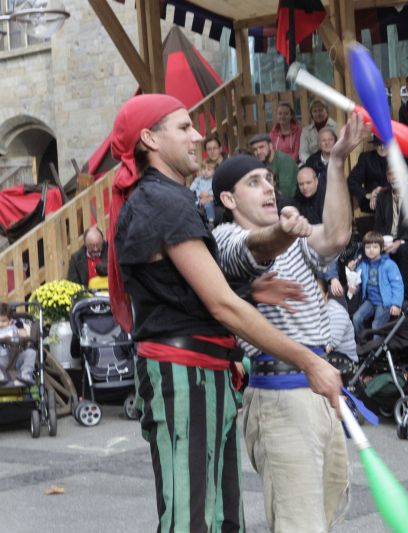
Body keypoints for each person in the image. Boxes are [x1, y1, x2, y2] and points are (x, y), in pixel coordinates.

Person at [108, 94, 342, 532]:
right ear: (150, 139)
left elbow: (187, 290)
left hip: (205, 372)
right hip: (183, 373)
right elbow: (220, 304)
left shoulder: (172, 199)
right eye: (183, 127)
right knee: (191, 521)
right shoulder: (159, 201)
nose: (197, 136)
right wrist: (308, 361)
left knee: (223, 518)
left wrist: (248, 292)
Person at [212, 114, 367, 531]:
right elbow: (257, 248)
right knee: (300, 525)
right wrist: (283, 231)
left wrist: (337, 162)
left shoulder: (293, 235)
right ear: (229, 200)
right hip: (279, 397)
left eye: (268, 179)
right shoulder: (224, 238)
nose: (268, 187)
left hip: (321, 387)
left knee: (326, 518)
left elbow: (336, 236)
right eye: (254, 182)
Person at [374, 168, 408, 299]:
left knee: (403, 250)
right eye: (390, 174)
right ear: (387, 177)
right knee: (372, 249)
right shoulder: (382, 196)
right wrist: (382, 242)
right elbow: (378, 225)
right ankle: (380, 295)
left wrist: (400, 242)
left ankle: (406, 297)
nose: (394, 177)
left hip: (407, 239)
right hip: (387, 239)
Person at [352, 231, 404, 340]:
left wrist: (396, 304)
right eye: (368, 247)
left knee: (376, 325)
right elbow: (356, 280)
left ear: (381, 248)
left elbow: (398, 285)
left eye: (375, 247)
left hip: (385, 303)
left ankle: (376, 347)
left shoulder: (389, 264)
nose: (371, 250)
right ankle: (362, 343)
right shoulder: (363, 264)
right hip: (370, 301)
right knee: (356, 318)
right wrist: (354, 286)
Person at [249, 132, 299, 199]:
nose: (258, 152)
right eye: (255, 149)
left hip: (289, 201)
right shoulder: (260, 162)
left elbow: (286, 192)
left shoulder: (284, 160)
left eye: (261, 147)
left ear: (270, 146)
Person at [347, 139, 389, 213]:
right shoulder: (366, 158)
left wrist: (380, 193)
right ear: (375, 144)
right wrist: (367, 195)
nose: (382, 147)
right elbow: (351, 181)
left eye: (385, 144)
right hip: (371, 205)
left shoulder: (398, 159)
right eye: (379, 144)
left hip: (392, 203)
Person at [0, 303, 36, 385]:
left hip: (16, 359)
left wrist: (26, 339)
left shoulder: (14, 328)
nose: (0, 324)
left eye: (3, 321)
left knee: (31, 353)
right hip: (1, 360)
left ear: (10, 321)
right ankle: (1, 376)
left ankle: (26, 374)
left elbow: (24, 336)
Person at [299, 99, 337, 163]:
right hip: (311, 163)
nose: (318, 114)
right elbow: (302, 153)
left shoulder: (336, 127)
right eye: (315, 111)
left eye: (321, 110)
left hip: (332, 162)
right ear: (311, 114)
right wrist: (312, 162)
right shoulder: (306, 131)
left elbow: (339, 149)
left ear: (327, 111)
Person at [190, 158, 217, 225]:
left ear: (214, 171)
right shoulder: (198, 179)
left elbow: (216, 191)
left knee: (208, 205)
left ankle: (211, 221)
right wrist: (199, 193)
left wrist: (208, 194)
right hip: (198, 199)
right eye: (204, 169)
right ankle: (195, 220)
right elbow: (192, 188)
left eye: (209, 170)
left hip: (209, 199)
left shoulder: (214, 181)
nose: (205, 171)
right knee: (192, 205)